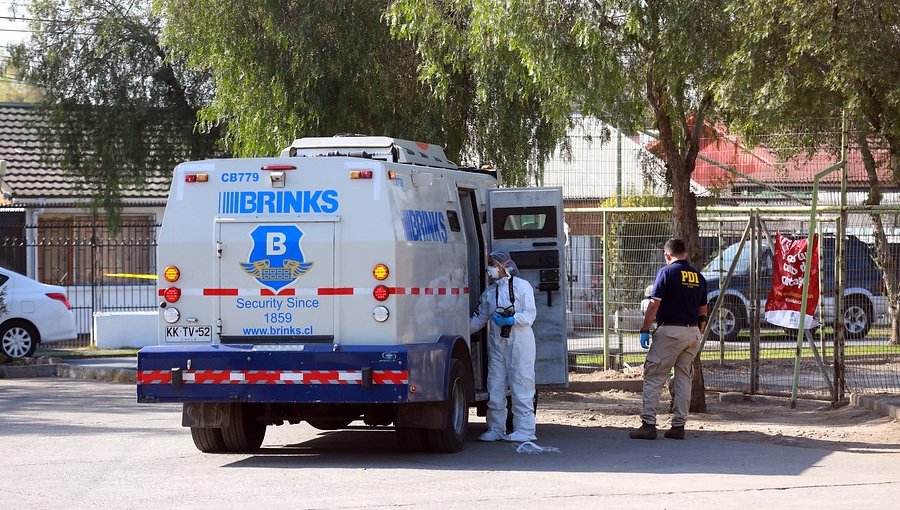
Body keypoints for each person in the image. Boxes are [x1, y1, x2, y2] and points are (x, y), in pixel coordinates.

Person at [630, 238, 708, 440]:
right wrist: (698, 331)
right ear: (686, 254)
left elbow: (654, 304)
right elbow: (703, 310)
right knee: (684, 378)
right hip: (692, 333)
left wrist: (645, 329)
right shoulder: (699, 277)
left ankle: (648, 424)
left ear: (667, 255)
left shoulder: (666, 273)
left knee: (654, 376)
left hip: (670, 331)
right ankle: (678, 426)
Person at [470, 250, 538, 442]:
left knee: (521, 385)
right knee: (495, 386)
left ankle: (525, 430)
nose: (490, 268)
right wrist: (460, 330)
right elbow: (479, 319)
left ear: (503, 265)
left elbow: (530, 315)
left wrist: (511, 319)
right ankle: (496, 428)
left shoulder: (522, 287)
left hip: (520, 343)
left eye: (493, 263)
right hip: (498, 344)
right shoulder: (490, 293)